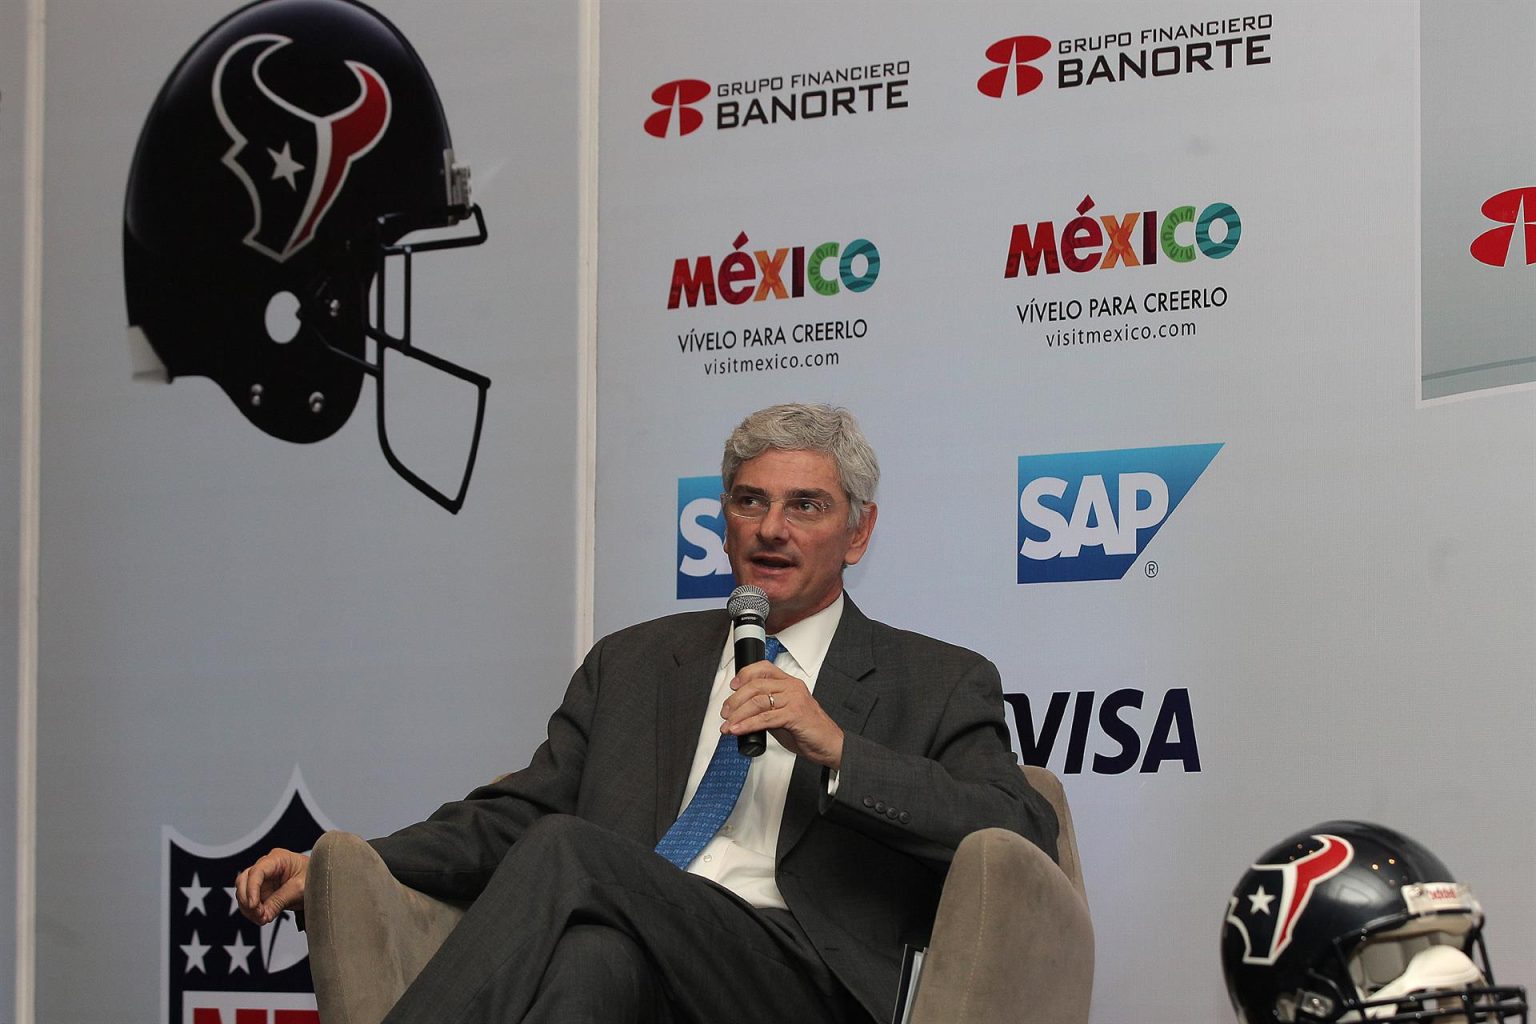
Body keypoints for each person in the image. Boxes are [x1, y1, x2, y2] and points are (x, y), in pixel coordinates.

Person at [237, 403, 1059, 1024]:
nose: (771, 529)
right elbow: (516, 814)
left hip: (803, 980)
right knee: (592, 958)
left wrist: (839, 747)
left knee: (571, 856)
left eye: (805, 506)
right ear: (724, 519)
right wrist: (357, 863)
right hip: (642, 942)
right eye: (748, 502)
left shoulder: (937, 678)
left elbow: (1019, 828)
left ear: (857, 532)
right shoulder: (633, 663)